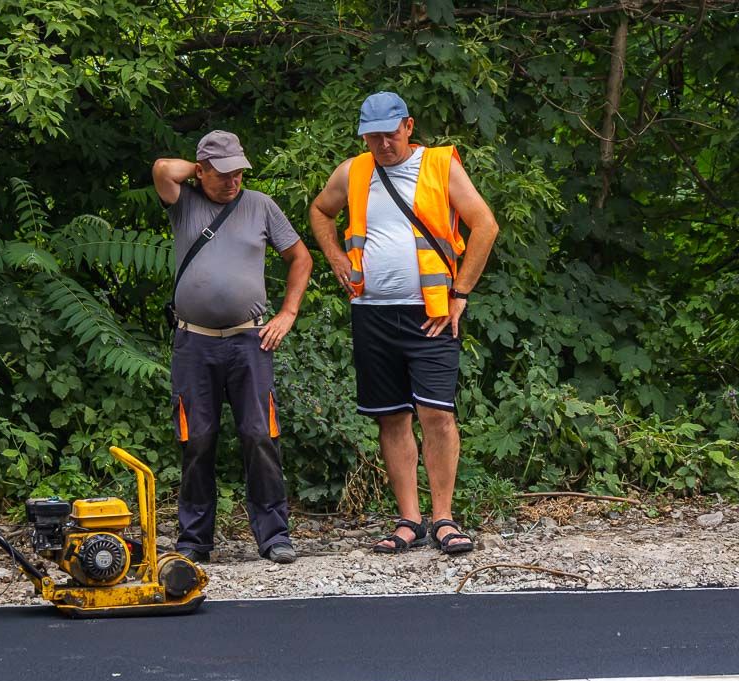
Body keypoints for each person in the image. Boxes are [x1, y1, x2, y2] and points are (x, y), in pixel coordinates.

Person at [309, 92, 499, 555]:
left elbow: (485, 225)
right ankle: (409, 520)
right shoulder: (353, 171)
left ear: (408, 126)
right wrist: (335, 257)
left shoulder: (439, 165)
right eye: (372, 137)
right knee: (392, 417)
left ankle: (444, 518)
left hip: (430, 312)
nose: (382, 145)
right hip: (372, 312)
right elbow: (320, 210)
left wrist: (460, 294)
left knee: (437, 413)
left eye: (390, 135)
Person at [152, 131, 313, 565]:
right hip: (194, 342)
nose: (232, 180)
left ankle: (274, 535)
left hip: (250, 341)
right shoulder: (184, 203)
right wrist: (198, 169)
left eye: (238, 171)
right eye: (222, 173)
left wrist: (287, 313)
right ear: (201, 171)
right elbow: (162, 169)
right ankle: (194, 540)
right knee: (196, 438)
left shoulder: (260, 205)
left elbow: (301, 258)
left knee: (260, 435)